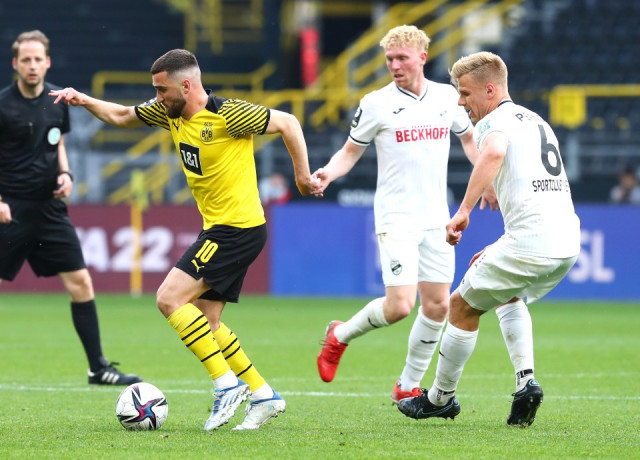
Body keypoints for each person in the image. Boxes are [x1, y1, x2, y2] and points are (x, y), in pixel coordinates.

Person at [50, 48, 319, 431]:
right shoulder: (169, 112)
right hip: (225, 228)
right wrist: (84, 100)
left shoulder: (229, 114)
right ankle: (263, 394)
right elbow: (123, 116)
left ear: (187, 86)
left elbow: (289, 122)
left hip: (235, 229)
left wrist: (303, 178)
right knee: (208, 323)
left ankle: (226, 385)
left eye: (162, 90)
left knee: (168, 298)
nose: (157, 97)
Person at [313, 25, 497, 403]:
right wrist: (327, 173)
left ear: (422, 58)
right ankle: (339, 335)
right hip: (396, 216)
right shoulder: (376, 103)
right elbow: (350, 151)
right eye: (389, 59)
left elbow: (468, 138)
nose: (394, 65)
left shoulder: (446, 97)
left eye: (402, 58)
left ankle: (407, 385)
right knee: (399, 306)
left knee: (438, 305)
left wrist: (488, 180)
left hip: (437, 218)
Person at [397, 51, 581, 427]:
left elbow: (494, 152)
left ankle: (439, 399)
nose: (460, 103)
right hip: (566, 240)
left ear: (490, 90)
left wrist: (464, 210)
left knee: (460, 307)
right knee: (504, 292)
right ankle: (526, 383)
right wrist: (501, 246)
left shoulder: (491, 122)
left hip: (532, 243)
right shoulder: (535, 120)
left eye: (465, 93)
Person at [0, 30, 141, 386]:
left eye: (38, 59)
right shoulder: (2, 105)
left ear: (48, 62)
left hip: (50, 207)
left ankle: (98, 368)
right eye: (26, 60)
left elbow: (57, 143)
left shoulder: (58, 100)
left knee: (81, 283)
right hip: (10, 207)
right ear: (15, 64)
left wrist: (65, 173)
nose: (33, 65)